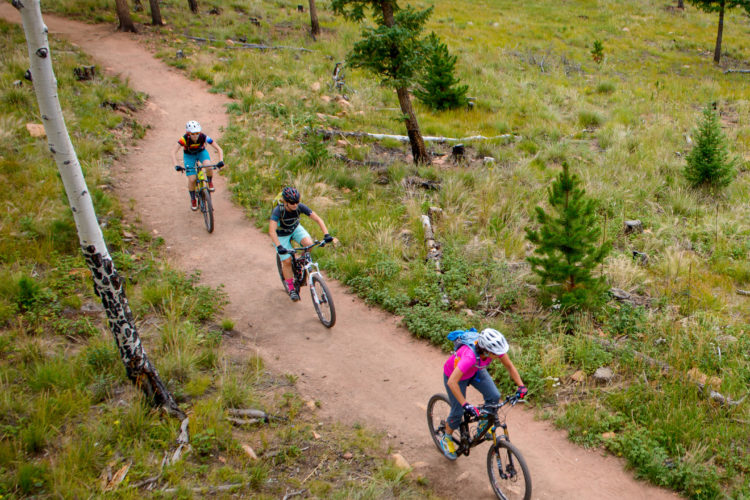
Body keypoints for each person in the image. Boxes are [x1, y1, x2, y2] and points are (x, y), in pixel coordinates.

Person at [439, 328, 527, 459]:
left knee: (494, 396)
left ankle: (483, 423)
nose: (500, 356)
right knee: (458, 412)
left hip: (476, 371)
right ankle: (446, 437)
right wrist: (465, 405)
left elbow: (509, 366)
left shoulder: (494, 351)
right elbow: (452, 382)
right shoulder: (470, 357)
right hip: (455, 377)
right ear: (486, 350)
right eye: (497, 354)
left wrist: (521, 386)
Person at [269, 186, 334, 301]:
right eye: (292, 202)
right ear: (285, 202)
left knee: (308, 244)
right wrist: (279, 246)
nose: (295, 205)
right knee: (287, 261)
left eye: (297, 202)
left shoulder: (300, 207)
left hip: (295, 229)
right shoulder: (278, 210)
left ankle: (301, 262)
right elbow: (271, 230)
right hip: (281, 235)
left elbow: (318, 219)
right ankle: (291, 288)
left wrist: (326, 235)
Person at [172, 120, 224, 211]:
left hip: (201, 153)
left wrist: (221, 161)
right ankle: (193, 199)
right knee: (192, 179)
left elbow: (219, 148)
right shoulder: (184, 139)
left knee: (208, 166)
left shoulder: (204, 137)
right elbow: (173, 151)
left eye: (197, 133)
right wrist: (176, 165)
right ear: (188, 133)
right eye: (193, 133)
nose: (195, 135)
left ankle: (210, 182)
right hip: (189, 156)